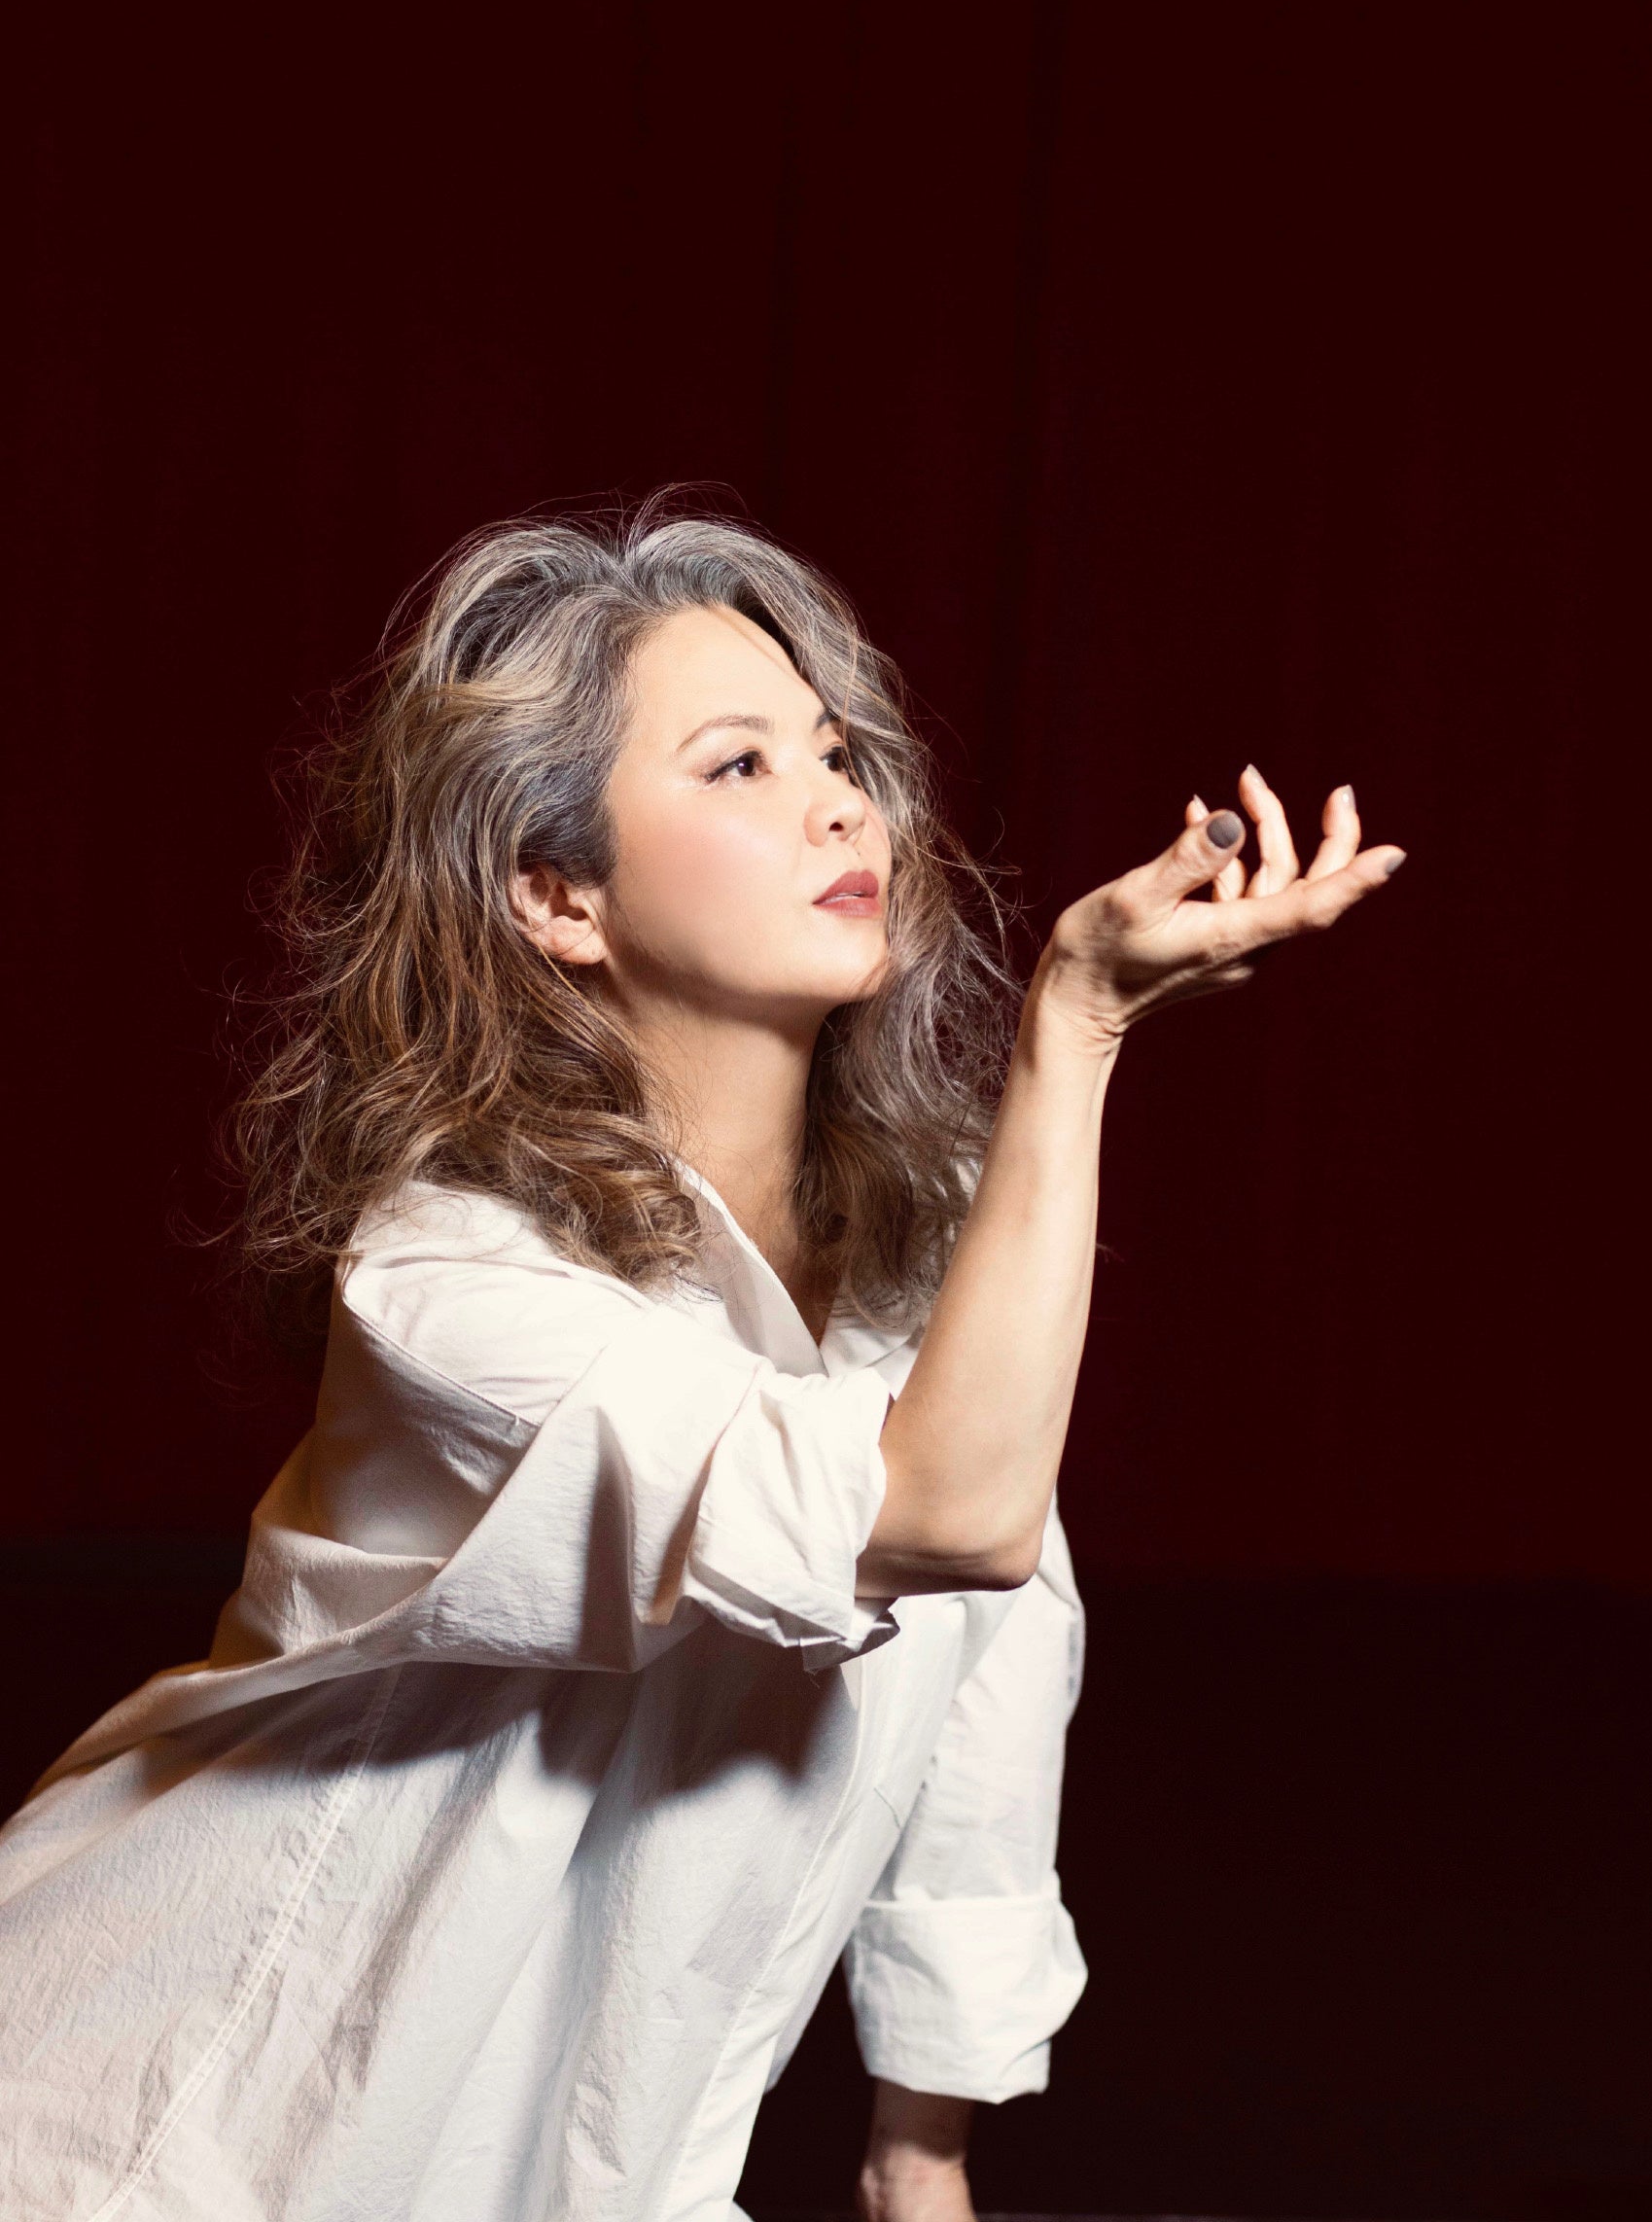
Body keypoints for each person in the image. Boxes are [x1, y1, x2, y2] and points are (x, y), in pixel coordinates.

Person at [0, 504, 1404, 2222]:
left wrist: (921, 2151)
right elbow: (939, 1518)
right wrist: (1080, 1018)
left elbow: (993, 1650)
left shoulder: (932, 1261)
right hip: (190, 2136)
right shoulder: (447, 1283)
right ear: (556, 894)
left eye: (838, 755)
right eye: (738, 765)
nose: (840, 804)